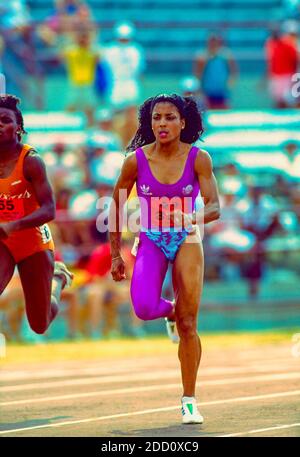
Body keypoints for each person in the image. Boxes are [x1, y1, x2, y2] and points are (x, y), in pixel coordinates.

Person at [109, 93, 220, 424]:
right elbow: (115, 207)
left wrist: (189, 220)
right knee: (144, 308)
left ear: (182, 122)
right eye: (156, 118)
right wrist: (115, 254)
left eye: (170, 117)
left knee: (190, 323)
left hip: (187, 238)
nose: (162, 124)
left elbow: (214, 207)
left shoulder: (199, 158)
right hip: (151, 239)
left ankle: (189, 400)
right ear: (149, 123)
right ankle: (171, 311)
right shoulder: (135, 161)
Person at [0, 94, 73, 336]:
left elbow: (49, 209)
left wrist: (14, 225)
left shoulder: (31, 161)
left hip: (33, 242)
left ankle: (58, 278)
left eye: (5, 120)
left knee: (39, 324)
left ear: (18, 128)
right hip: (3, 240)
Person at [194, 34, 238, 109]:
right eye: (211, 41)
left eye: (215, 41)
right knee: (209, 112)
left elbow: (233, 71)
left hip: (222, 90)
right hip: (208, 90)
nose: (213, 44)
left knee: (224, 112)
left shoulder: (226, 55)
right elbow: (198, 74)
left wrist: (230, 82)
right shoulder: (202, 56)